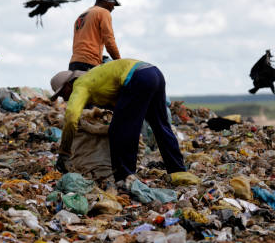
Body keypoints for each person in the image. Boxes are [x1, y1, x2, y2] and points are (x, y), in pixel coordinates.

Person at [50, 59, 187, 182]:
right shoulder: (94, 77)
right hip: (153, 72)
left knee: (119, 131)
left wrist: (64, 152)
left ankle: (124, 177)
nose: (64, 98)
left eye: (62, 93)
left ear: (68, 85)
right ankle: (178, 171)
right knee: (160, 126)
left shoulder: (80, 86)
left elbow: (71, 118)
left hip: (137, 78)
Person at [68, 0, 121, 71]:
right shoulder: (103, 12)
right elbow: (109, 42)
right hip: (89, 63)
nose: (113, 8)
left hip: (74, 63)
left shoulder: (83, 15)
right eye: (113, 3)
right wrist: (120, 62)